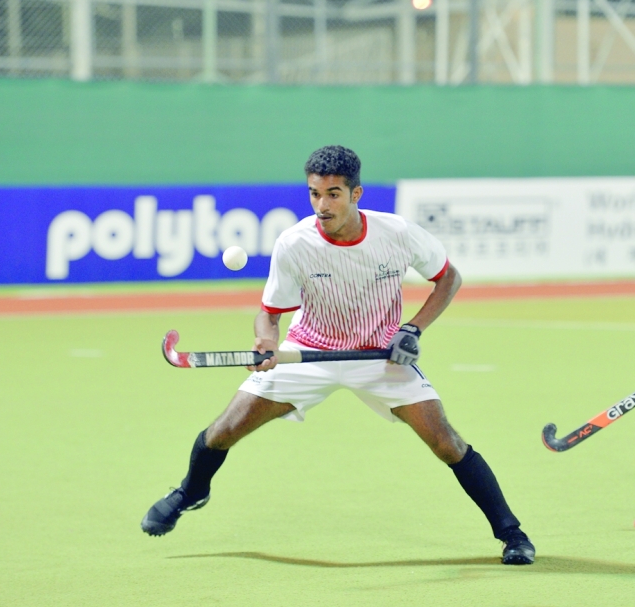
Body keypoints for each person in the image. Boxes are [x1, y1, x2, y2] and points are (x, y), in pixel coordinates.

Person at [141, 145, 535, 564]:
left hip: (380, 357)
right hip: (309, 351)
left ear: (356, 194)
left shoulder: (397, 233)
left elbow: (448, 279)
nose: (322, 205)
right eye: (314, 194)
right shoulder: (294, 243)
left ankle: (512, 535)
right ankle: (191, 490)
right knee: (223, 431)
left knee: (446, 442)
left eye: (333, 194)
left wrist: (412, 329)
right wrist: (267, 343)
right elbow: (269, 314)